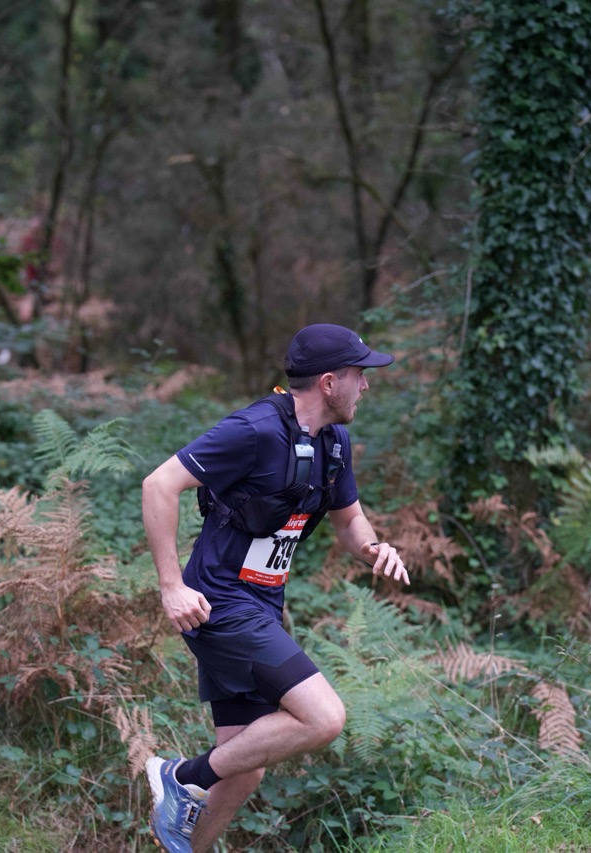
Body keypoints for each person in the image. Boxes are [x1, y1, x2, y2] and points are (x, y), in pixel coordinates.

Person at [141, 323, 410, 853]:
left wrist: (373, 547)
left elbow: (349, 521)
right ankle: (180, 776)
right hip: (218, 602)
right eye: (359, 374)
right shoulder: (255, 430)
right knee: (324, 717)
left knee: (243, 770)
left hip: (262, 605)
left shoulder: (334, 443)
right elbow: (159, 484)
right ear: (329, 382)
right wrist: (171, 586)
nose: (366, 385)